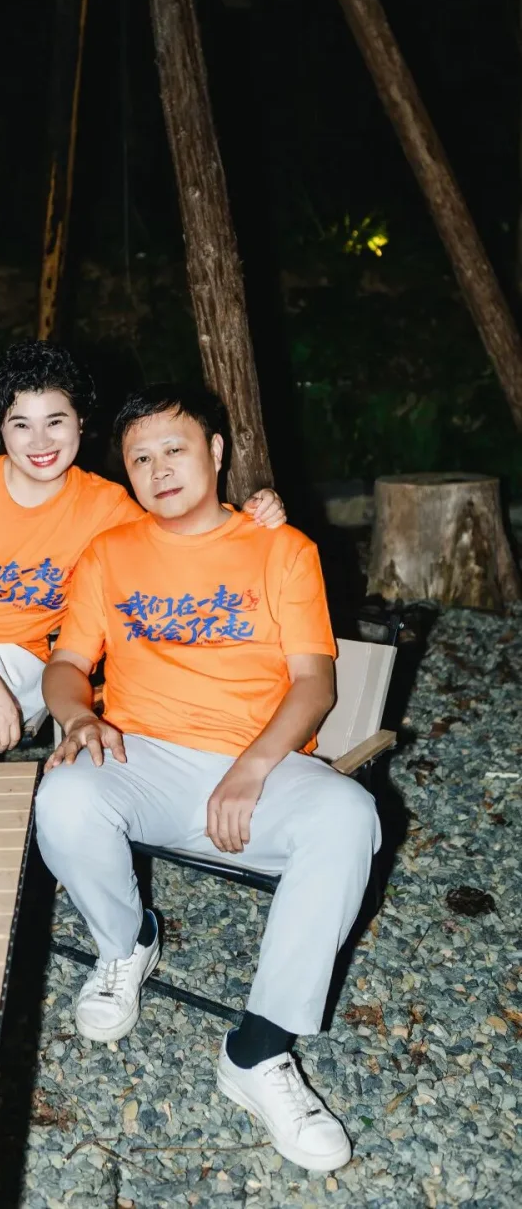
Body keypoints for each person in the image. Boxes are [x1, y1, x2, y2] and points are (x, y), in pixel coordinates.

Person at [34, 382, 380, 1173]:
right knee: (65, 795)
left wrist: (253, 767)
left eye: (175, 449)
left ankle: (258, 1051)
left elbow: (315, 685)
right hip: (144, 759)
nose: (159, 470)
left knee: (348, 816)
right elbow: (65, 663)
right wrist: (79, 718)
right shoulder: (111, 554)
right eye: (140, 458)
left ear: (216, 452)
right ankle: (126, 944)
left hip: (261, 764)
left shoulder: (281, 549)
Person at [0, 341, 285, 766]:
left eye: (55, 421)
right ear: (0, 429)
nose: (41, 442)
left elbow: (185, 534)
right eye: (21, 425)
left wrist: (252, 511)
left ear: (80, 421)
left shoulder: (106, 508)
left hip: (21, 660)